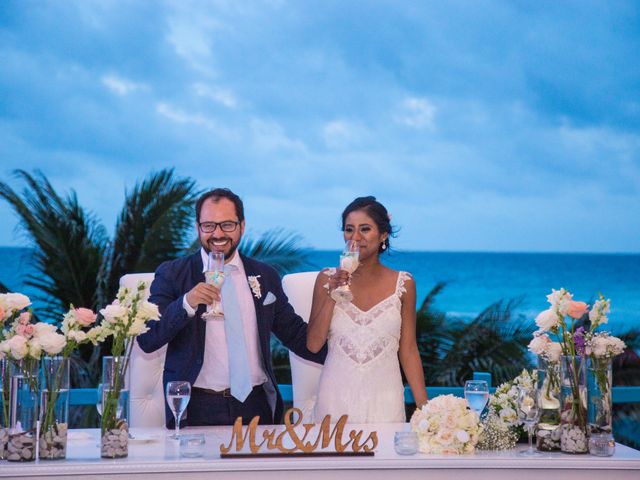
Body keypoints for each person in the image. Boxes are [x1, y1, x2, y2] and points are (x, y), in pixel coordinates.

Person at [137, 188, 326, 427]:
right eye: (209, 226)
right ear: (198, 228)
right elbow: (148, 339)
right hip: (197, 408)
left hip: (256, 406)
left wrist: (347, 355)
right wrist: (187, 303)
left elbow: (296, 336)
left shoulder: (265, 276)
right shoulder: (173, 274)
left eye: (227, 225)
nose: (217, 234)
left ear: (242, 226)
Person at [306, 196, 427, 423]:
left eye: (365, 229)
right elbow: (313, 345)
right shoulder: (326, 278)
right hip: (334, 403)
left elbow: (409, 350)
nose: (356, 237)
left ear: (383, 235)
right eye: (349, 229)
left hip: (386, 402)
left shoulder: (404, 284)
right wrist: (333, 294)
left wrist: (426, 410)